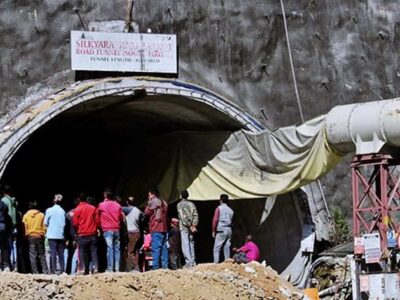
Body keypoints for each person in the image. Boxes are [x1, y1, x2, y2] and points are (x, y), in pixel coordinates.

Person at [97, 188, 123, 272]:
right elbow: (120, 217)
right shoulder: (118, 205)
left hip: (107, 230)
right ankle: (117, 268)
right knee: (117, 249)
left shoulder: (101, 205)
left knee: (110, 249)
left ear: (105, 195)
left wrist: (98, 226)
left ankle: (110, 268)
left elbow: (97, 217)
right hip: (116, 229)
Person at [73, 193, 99, 275]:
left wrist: (78, 229)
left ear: (79, 199)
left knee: (81, 251)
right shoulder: (93, 208)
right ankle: (95, 268)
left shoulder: (77, 209)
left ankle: (82, 268)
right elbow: (97, 221)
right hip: (92, 233)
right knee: (93, 251)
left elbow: (75, 223)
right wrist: (95, 228)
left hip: (82, 233)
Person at [144, 188, 168, 270]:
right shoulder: (164, 202)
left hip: (156, 227)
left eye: (149, 195)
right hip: (164, 228)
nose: (148, 196)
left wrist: (148, 204)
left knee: (156, 248)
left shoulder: (154, 201)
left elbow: (147, 212)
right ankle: (165, 266)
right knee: (164, 248)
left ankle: (155, 267)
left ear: (152, 194)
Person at [22, 201, 48, 274]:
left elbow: (24, 227)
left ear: (29, 207)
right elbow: (44, 227)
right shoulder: (41, 215)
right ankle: (45, 271)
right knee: (42, 255)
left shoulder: (26, 215)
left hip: (30, 237)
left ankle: (35, 272)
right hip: (39, 236)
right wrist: (43, 233)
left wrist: (26, 235)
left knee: (32, 255)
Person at [44, 194, 66, 274]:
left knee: (53, 253)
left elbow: (45, 223)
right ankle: (62, 269)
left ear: (54, 200)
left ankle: (53, 270)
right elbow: (64, 224)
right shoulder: (63, 211)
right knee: (61, 253)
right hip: (60, 235)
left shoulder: (49, 210)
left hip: (52, 235)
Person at [177, 190, 198, 268]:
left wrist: (189, 225)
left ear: (181, 195)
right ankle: (193, 261)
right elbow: (195, 215)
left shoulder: (180, 205)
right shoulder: (192, 204)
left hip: (184, 226)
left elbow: (182, 217)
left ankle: (188, 262)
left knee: (185, 244)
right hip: (192, 226)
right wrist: (193, 225)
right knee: (191, 243)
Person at [122, 196, 144, 272]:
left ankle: (134, 268)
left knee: (130, 251)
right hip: (138, 232)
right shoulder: (138, 210)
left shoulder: (127, 209)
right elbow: (143, 216)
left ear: (127, 202)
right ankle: (136, 267)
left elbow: (119, 208)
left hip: (131, 233)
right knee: (136, 251)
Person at [212, 194, 234, 263]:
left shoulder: (219, 208)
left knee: (217, 248)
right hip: (229, 230)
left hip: (221, 230)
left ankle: (216, 263)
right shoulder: (231, 210)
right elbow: (233, 221)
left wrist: (213, 230)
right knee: (227, 247)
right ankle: (227, 263)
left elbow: (215, 219)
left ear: (220, 200)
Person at [1, 185, 17, 271]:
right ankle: (13, 264)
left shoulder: (4, 200)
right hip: (13, 225)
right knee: (11, 245)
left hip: (6, 225)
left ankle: (6, 264)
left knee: (5, 245)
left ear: (3, 191)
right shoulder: (13, 201)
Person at [0, 199, 11, 271]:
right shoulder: (3, 204)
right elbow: (7, 215)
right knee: (4, 246)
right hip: (2, 226)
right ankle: (6, 266)